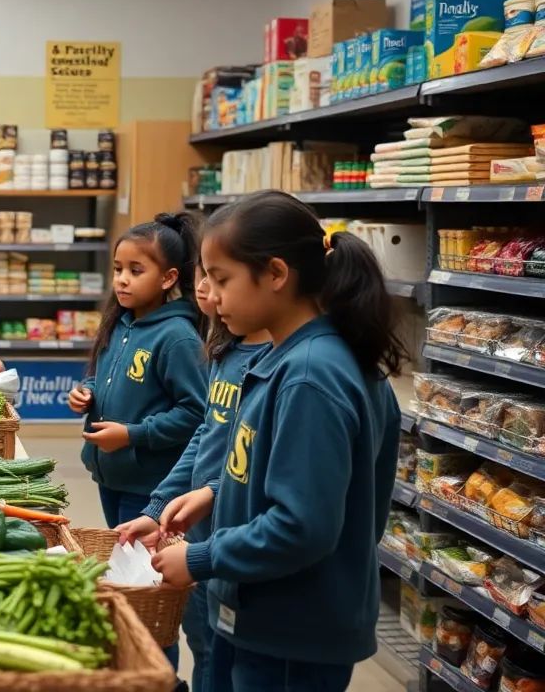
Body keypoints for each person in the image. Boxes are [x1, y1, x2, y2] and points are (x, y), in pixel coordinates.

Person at [150, 190, 406, 692]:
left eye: (221, 279)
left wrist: (200, 558)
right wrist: (216, 494)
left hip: (294, 628)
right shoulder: (289, 360)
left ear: (275, 274)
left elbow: (302, 526)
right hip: (265, 613)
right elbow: (293, 474)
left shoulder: (310, 378)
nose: (211, 296)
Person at [117, 264, 270, 692]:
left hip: (242, 550)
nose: (206, 292)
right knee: (205, 645)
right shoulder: (224, 350)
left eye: (219, 279)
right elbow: (204, 437)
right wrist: (158, 506)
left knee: (227, 663)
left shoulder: (281, 369)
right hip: (201, 541)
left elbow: (258, 469)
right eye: (203, 278)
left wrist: (213, 494)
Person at [69, 213, 207, 672]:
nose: (122, 280)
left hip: (151, 490)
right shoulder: (121, 323)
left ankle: (158, 674)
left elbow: (195, 414)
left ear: (169, 278)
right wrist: (86, 392)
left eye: (135, 270)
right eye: (117, 268)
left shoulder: (178, 337)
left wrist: (133, 434)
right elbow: (107, 379)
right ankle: (137, 668)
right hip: (112, 477)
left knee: (148, 597)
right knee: (126, 583)